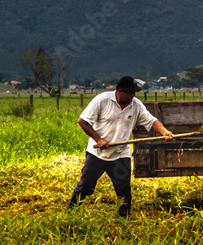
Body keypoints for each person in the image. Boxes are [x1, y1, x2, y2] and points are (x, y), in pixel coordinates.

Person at [67, 75, 173, 213]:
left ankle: (124, 218)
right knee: (85, 186)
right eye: (131, 92)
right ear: (121, 90)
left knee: (124, 191)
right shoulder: (102, 100)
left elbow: (152, 121)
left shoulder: (136, 105)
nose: (134, 95)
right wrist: (98, 139)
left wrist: (164, 132)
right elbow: (82, 121)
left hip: (120, 154)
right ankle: (70, 212)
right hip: (97, 154)